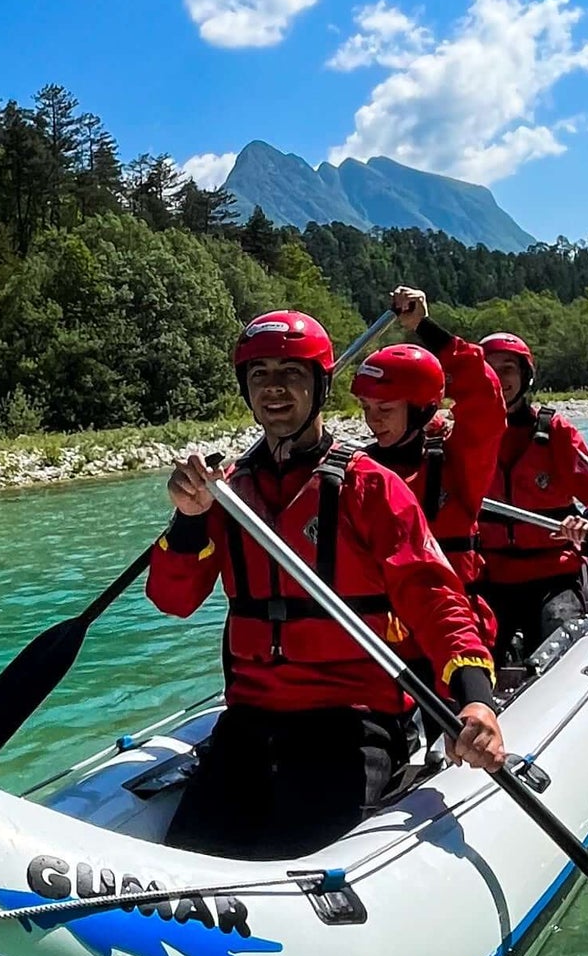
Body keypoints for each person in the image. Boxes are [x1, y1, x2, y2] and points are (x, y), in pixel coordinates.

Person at [147, 309, 504, 860]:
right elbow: (173, 600)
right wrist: (189, 519)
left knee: (297, 851)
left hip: (350, 724)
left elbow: (436, 601)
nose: (274, 389)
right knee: (187, 856)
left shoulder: (372, 487)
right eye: (260, 374)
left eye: (290, 373)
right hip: (249, 723)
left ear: (319, 384)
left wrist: (475, 701)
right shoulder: (227, 493)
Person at [350, 285, 504, 623]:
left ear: (421, 409)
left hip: (453, 624)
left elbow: (485, 396)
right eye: (366, 407)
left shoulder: (457, 462)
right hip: (381, 636)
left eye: (386, 408)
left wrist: (426, 328)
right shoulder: (357, 470)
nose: (372, 420)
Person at [477, 331, 588, 665]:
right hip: (490, 578)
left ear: (525, 376)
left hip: (552, 577)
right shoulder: (465, 437)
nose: (499, 379)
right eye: (490, 369)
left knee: (558, 626)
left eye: (508, 369)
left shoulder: (555, 433)